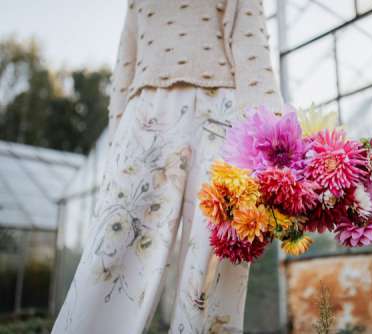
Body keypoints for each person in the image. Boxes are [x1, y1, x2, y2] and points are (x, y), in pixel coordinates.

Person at [51, 0, 283, 333]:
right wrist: (116, 151)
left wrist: (274, 151)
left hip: (219, 123)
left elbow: (253, 55)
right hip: (144, 122)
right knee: (112, 257)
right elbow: (124, 69)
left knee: (210, 270)